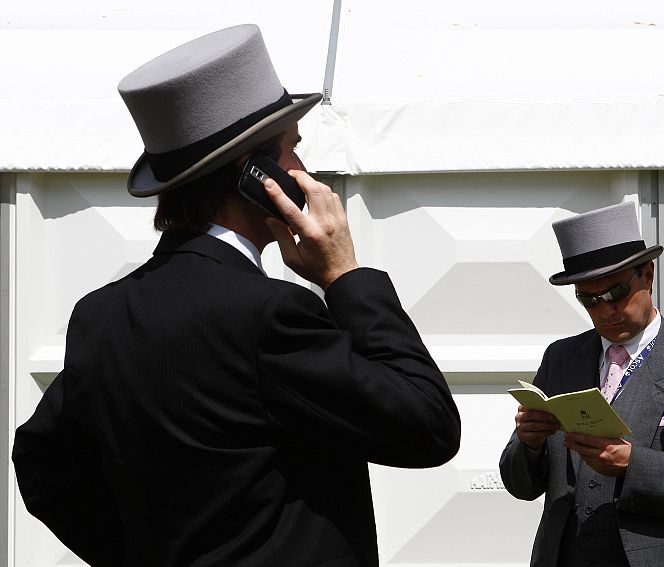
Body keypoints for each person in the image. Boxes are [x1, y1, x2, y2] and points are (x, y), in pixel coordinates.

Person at [13, 24, 460, 567]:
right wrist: (344, 275)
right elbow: (428, 426)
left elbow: (42, 464)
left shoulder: (100, 315)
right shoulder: (271, 313)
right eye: (293, 151)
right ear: (257, 175)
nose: (304, 171)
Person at [499, 202, 664, 567]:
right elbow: (520, 486)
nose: (606, 310)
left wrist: (634, 463)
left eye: (616, 292)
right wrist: (530, 444)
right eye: (589, 300)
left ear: (647, 275)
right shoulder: (560, 358)